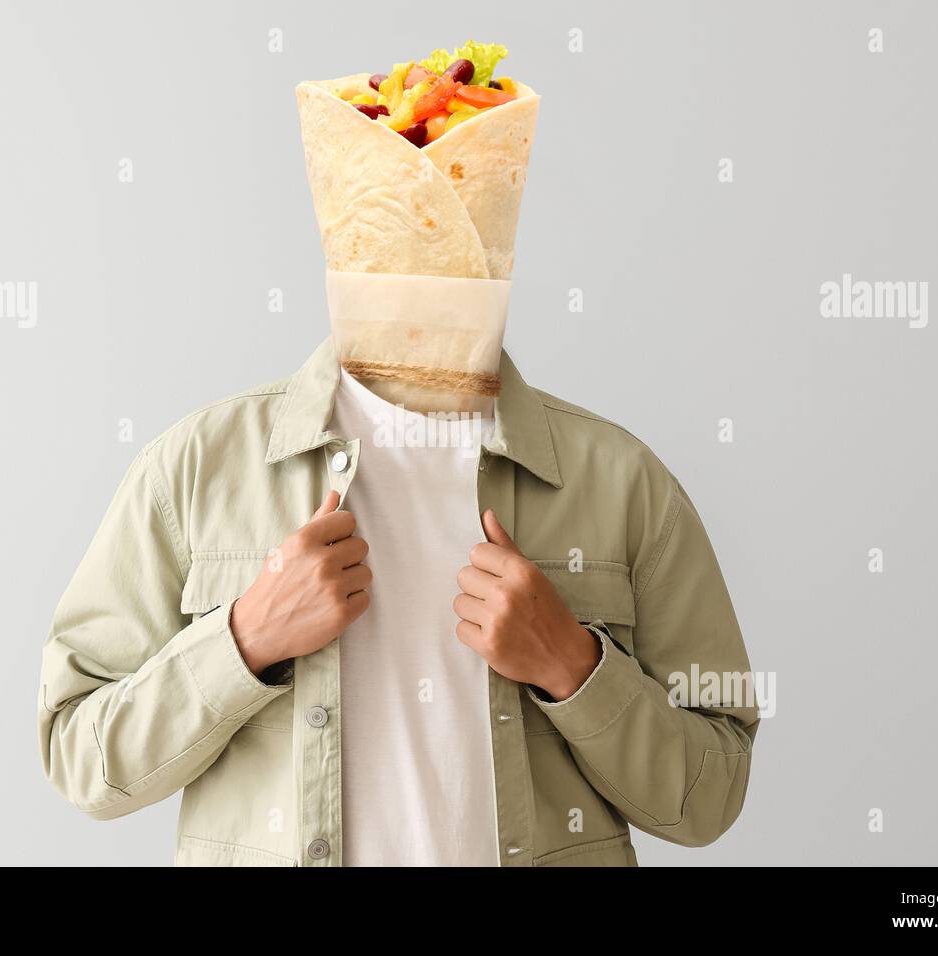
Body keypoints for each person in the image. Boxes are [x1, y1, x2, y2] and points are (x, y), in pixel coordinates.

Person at [37, 49, 758, 867]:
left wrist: (574, 665)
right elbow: (78, 756)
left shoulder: (621, 481)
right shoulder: (195, 468)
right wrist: (242, 640)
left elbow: (712, 797)